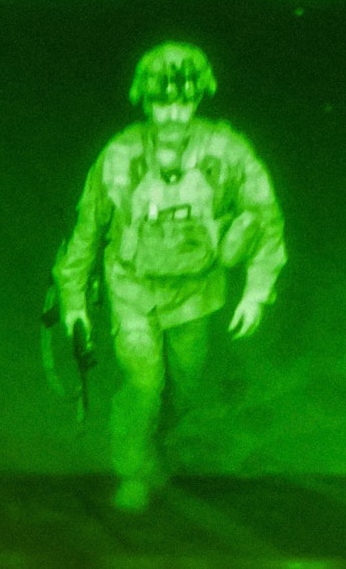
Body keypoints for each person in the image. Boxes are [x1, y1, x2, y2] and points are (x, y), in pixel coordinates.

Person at [53, 41, 287, 512]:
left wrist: (257, 291)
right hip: (132, 288)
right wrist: (73, 299)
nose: (174, 113)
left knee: (182, 387)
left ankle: (153, 443)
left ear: (199, 97)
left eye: (183, 100)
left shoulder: (228, 150)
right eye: (162, 102)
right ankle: (134, 471)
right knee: (143, 383)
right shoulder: (119, 155)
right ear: (145, 100)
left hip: (197, 293)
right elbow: (87, 228)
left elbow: (264, 217)